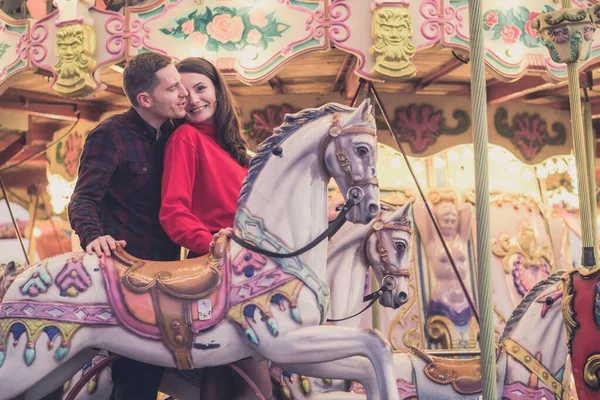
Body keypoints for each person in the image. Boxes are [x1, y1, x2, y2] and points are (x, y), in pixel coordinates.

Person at [68, 52, 188, 400]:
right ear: (145, 99)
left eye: (181, 83)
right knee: (137, 380)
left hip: (169, 269)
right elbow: (83, 199)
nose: (184, 94)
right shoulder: (110, 135)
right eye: (173, 87)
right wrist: (94, 237)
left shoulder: (176, 133)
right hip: (128, 273)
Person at [159, 57, 272, 400]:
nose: (193, 99)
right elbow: (173, 212)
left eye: (201, 88)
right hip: (217, 265)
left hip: (247, 266)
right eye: (183, 91)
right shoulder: (185, 137)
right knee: (253, 382)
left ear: (218, 92)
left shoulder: (235, 150)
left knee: (234, 377)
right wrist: (210, 241)